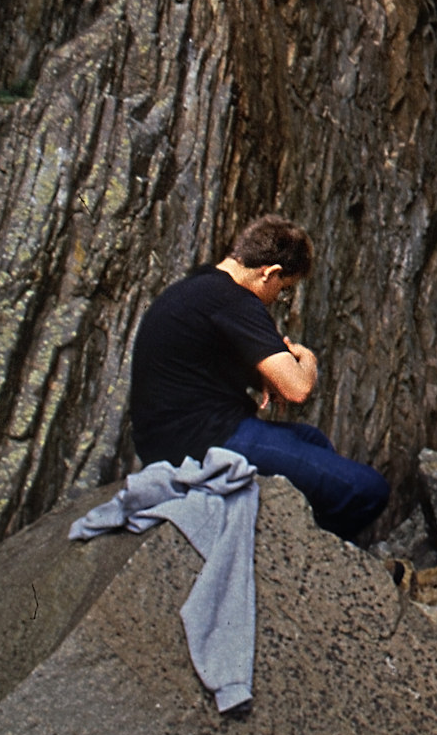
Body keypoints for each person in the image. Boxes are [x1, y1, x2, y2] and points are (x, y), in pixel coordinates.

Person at [130, 214, 388, 540]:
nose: (278, 300)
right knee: (368, 490)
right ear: (270, 273)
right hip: (203, 439)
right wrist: (307, 359)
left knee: (313, 440)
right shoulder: (234, 301)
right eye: (284, 290)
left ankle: (310, 542)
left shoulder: (200, 286)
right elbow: (297, 389)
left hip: (169, 435)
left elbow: (203, 362)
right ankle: (309, 556)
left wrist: (260, 374)